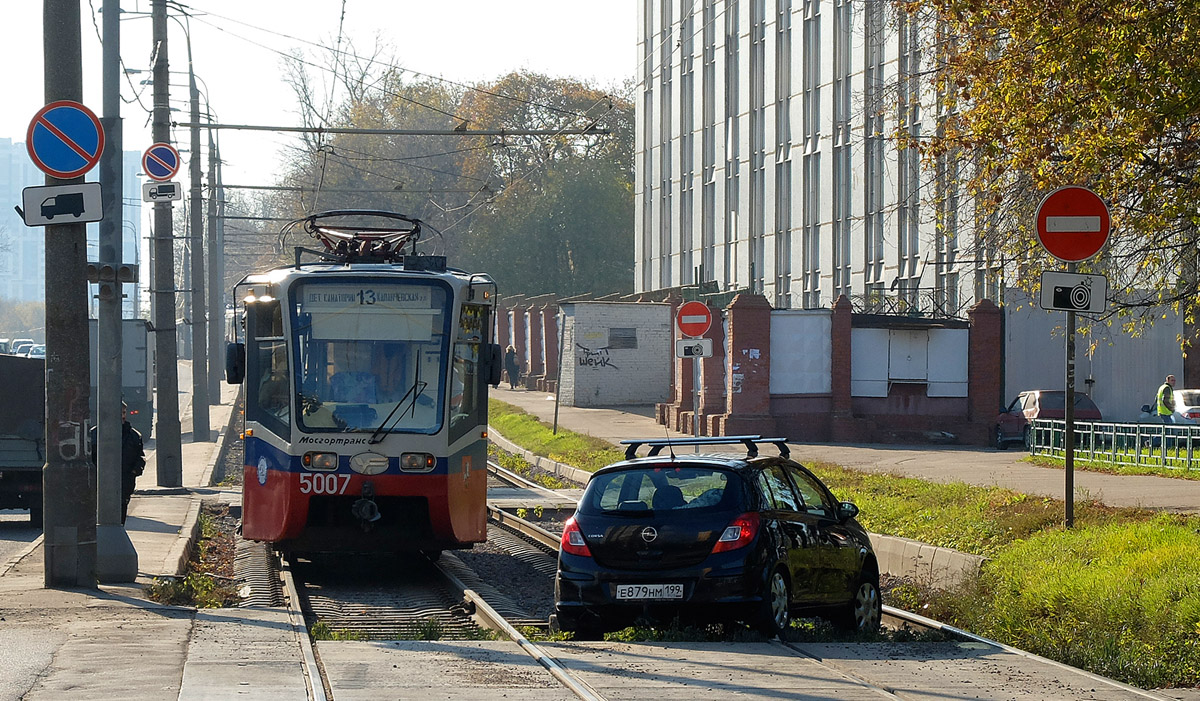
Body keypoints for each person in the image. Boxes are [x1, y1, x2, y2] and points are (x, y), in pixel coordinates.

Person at [88, 402, 147, 524]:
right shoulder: (94, 434)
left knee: (121, 514)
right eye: (120, 413)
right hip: (100, 483)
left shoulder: (134, 436)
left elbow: (140, 457)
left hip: (124, 482)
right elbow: (89, 458)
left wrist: (135, 470)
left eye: (124, 412)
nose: (123, 416)